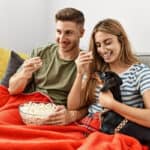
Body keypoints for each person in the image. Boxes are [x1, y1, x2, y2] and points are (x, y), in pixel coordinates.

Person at [67, 18, 150, 132]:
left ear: (121, 40)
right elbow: (73, 106)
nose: (103, 50)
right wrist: (80, 73)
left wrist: (112, 104)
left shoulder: (140, 72)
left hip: (118, 132)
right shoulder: (95, 71)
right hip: (87, 128)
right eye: (98, 45)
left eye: (108, 42)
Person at [8, 7, 88, 125]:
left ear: (81, 33)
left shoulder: (86, 62)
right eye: (59, 32)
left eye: (68, 33)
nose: (62, 39)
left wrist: (72, 116)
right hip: (30, 107)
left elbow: (92, 105)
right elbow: (12, 89)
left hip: (58, 113)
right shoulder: (41, 52)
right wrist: (24, 74)